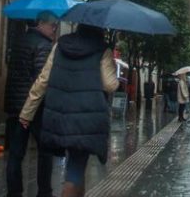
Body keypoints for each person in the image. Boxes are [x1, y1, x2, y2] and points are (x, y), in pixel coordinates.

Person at [20, 24, 119, 197]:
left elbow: (43, 80)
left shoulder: (60, 45)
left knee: (77, 165)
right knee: (75, 167)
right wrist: (110, 65)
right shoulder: (102, 50)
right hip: (86, 119)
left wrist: (27, 112)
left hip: (59, 114)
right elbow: (110, 85)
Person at [4, 11, 58, 197]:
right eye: (52, 26)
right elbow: (41, 81)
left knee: (15, 154)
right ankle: (44, 192)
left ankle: (14, 192)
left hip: (14, 106)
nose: (54, 30)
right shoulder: (44, 45)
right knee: (45, 152)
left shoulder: (18, 41)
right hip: (34, 109)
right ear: (41, 24)